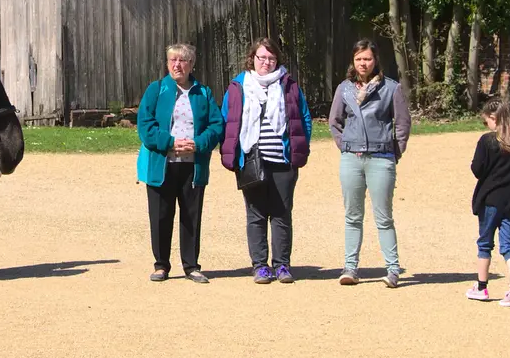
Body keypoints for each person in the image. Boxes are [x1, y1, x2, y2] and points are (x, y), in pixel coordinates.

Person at [220, 38, 312, 284]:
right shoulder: (239, 86)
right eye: (262, 57)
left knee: (281, 214)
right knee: (256, 214)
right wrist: (232, 153)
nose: (266, 62)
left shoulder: (288, 85)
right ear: (253, 58)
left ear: (277, 60)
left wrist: (300, 149)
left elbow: (303, 117)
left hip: (283, 161)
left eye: (271, 58)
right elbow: (227, 119)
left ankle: (282, 265)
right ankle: (260, 265)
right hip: (251, 160)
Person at [136, 43, 224, 284]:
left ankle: (191, 266)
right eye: (173, 60)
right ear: (167, 64)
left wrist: (199, 143)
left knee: (191, 216)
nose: (178, 65)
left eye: (183, 60)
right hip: (162, 165)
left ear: (191, 64)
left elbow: (217, 125)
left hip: (192, 166)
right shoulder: (156, 90)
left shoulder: (202, 93)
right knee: (161, 215)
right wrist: (171, 142)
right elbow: (145, 126)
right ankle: (161, 265)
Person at [328, 38, 411, 287]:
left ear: (375, 61)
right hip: (352, 159)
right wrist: (346, 146)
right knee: (352, 215)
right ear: (353, 61)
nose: (363, 63)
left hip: (380, 158)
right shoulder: (344, 89)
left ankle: (393, 269)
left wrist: (394, 151)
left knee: (383, 217)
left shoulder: (391, 88)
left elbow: (403, 123)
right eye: (359, 59)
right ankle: (350, 268)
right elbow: (335, 121)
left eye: (368, 59)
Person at [466, 99, 510, 307]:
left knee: (485, 243)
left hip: (491, 200)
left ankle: (481, 286)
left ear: (494, 118)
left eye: (487, 122)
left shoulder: (487, 141)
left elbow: (477, 169)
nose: (487, 126)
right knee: (509, 246)